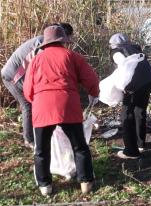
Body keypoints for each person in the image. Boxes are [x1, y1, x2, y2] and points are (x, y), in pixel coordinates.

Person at [23, 25, 99, 196]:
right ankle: (85, 182)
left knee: (41, 150)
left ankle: (45, 186)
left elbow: (28, 90)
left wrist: (37, 102)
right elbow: (92, 79)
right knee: (79, 146)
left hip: (42, 108)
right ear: (63, 41)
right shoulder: (72, 56)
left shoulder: (36, 60)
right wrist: (94, 93)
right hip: (68, 105)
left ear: (45, 43)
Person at [1, 23, 73, 149]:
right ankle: (29, 140)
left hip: (16, 74)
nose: (67, 43)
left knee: (35, 103)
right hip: (13, 76)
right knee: (28, 105)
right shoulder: (42, 44)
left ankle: (44, 132)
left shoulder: (44, 40)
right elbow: (40, 67)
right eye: (67, 39)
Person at [109, 33, 151, 159]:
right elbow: (149, 67)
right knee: (139, 111)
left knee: (126, 115)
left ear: (113, 45)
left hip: (134, 85)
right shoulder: (135, 49)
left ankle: (131, 151)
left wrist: (123, 87)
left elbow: (124, 69)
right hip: (149, 81)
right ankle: (140, 144)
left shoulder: (117, 53)